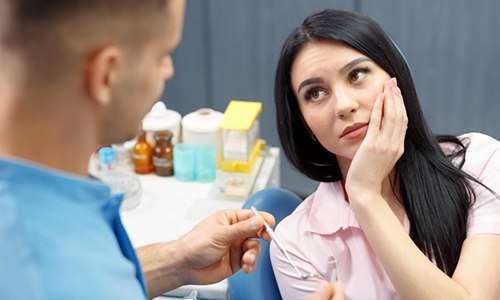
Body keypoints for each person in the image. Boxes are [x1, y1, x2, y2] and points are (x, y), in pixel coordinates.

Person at [0, 1, 277, 299]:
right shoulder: (40, 272)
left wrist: (178, 261)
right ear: (108, 74)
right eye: (162, 55)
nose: (169, 70)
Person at [271, 8, 500, 299]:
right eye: (315, 93)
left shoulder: (480, 162)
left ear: (396, 77)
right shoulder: (296, 245)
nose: (344, 105)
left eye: (357, 74)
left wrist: (365, 195)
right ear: (305, 123)